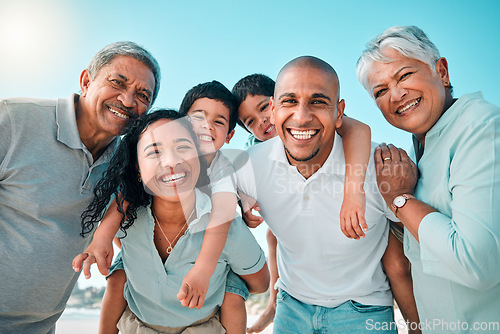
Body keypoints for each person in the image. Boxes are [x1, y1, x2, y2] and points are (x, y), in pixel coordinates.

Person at [0, 41, 160, 334]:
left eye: (142, 95)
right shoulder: (12, 119)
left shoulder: (128, 161)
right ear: (86, 81)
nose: (127, 100)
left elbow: (127, 207)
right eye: (117, 82)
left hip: (42, 327)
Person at [234, 56, 398, 333]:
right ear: (276, 108)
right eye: (289, 101)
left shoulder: (380, 164)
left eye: (318, 101)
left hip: (363, 309)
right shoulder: (249, 163)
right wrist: (241, 201)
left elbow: (411, 254)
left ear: (339, 112)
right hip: (292, 306)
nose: (301, 116)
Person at [74, 81, 249, 333]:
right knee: (117, 278)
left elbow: (221, 219)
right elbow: (126, 196)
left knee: (234, 292)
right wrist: (102, 237)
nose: (206, 126)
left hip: (214, 254)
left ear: (229, 135)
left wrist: (203, 269)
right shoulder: (167, 158)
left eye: (218, 122)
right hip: (153, 250)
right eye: (198, 118)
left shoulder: (221, 169)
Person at [357, 25, 500, 333]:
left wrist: (400, 199)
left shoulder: (483, 128)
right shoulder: (415, 151)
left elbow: (478, 265)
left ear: (442, 71)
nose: (396, 95)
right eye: (380, 91)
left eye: (404, 75)